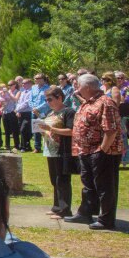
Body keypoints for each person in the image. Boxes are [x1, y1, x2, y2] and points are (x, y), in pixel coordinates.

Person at [66, 73, 123, 230]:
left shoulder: (106, 103)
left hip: (102, 152)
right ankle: (86, 212)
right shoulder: (89, 102)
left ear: (88, 87)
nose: (76, 88)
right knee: (88, 185)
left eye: (78, 85)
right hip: (86, 151)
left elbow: (111, 130)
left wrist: (102, 151)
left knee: (105, 187)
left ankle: (106, 220)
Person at [36, 86, 77, 219]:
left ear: (59, 97)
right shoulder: (50, 113)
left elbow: (71, 131)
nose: (48, 102)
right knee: (54, 180)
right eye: (46, 100)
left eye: (50, 99)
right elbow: (49, 131)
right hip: (50, 150)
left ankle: (65, 210)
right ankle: (57, 207)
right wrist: (44, 131)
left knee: (62, 180)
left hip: (62, 150)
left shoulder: (68, 111)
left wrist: (51, 129)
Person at [14, 78, 34, 152]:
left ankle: (23, 146)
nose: (23, 85)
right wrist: (18, 110)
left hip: (28, 112)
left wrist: (18, 109)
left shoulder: (31, 92)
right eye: (22, 83)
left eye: (25, 83)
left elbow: (26, 103)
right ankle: (26, 145)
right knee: (23, 130)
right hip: (21, 112)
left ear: (29, 84)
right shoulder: (22, 92)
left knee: (24, 129)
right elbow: (19, 102)